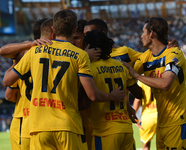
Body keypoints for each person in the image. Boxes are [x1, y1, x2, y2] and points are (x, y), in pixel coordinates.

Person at [3, 9, 124, 150]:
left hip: (39, 127)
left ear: (54, 29)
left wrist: (25, 50)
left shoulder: (35, 51)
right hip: (68, 125)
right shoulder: (80, 55)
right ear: (74, 29)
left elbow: (6, 81)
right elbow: (92, 95)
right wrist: (111, 96)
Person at [123, 17, 186, 149]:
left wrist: (137, 75)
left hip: (178, 121)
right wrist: (128, 105)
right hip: (162, 122)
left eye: (143, 32)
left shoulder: (174, 53)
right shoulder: (145, 57)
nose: (141, 35)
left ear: (151, 34)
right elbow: (125, 77)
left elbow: (165, 84)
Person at [83, 30, 143, 150]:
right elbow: (139, 93)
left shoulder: (88, 68)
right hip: (126, 129)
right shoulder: (121, 66)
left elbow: (85, 101)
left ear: (88, 47)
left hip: (105, 131)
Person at [3, 18, 54, 150]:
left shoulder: (25, 54)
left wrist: (23, 51)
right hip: (49, 118)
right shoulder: (57, 55)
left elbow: (9, 95)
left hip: (25, 118)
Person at [133, 81, 157, 150]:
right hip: (162, 115)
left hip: (148, 116)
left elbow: (138, 99)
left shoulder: (142, 80)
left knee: (146, 146)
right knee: (163, 145)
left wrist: (133, 114)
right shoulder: (160, 76)